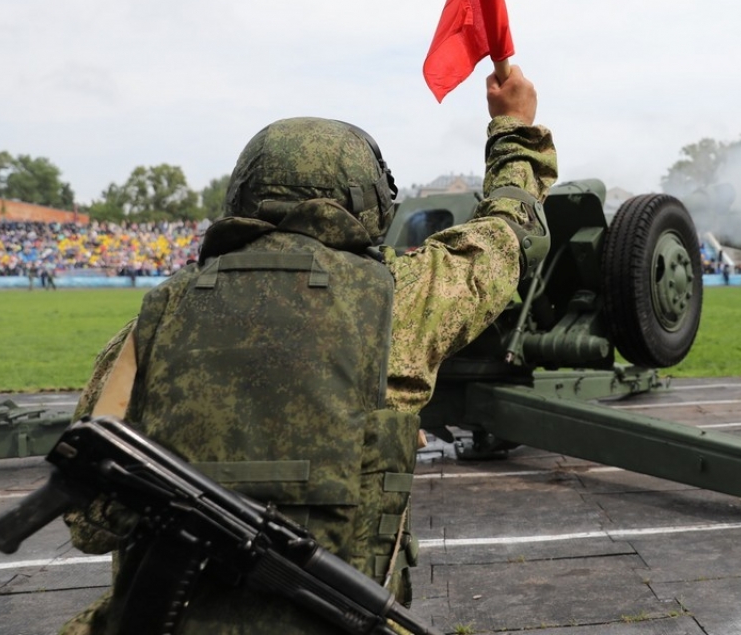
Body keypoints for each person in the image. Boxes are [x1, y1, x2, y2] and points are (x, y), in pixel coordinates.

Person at [58, 63, 556, 635]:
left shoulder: (151, 324)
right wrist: (513, 128)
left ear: (242, 196)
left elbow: (87, 525)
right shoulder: (400, 302)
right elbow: (506, 235)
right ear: (369, 201)